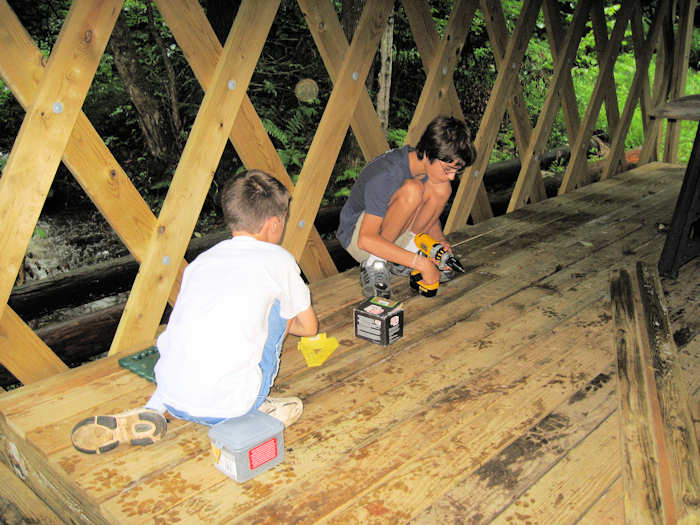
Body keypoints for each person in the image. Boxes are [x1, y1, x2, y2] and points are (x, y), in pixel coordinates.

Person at [71, 169, 318, 454]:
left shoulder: (203, 262)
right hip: (232, 406)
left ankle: (152, 409)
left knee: (205, 327)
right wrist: (278, 320)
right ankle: (258, 410)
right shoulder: (278, 260)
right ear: (274, 224)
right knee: (279, 308)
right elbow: (309, 327)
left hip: (170, 393)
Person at [336, 115, 477, 298]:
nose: (451, 176)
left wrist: (439, 240)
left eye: (455, 171)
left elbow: (427, 210)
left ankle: (402, 254)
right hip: (360, 238)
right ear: (428, 153)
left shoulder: (421, 165)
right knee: (413, 190)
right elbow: (366, 240)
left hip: (388, 233)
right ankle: (376, 262)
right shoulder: (387, 173)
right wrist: (421, 264)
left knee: (442, 188)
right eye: (447, 169)